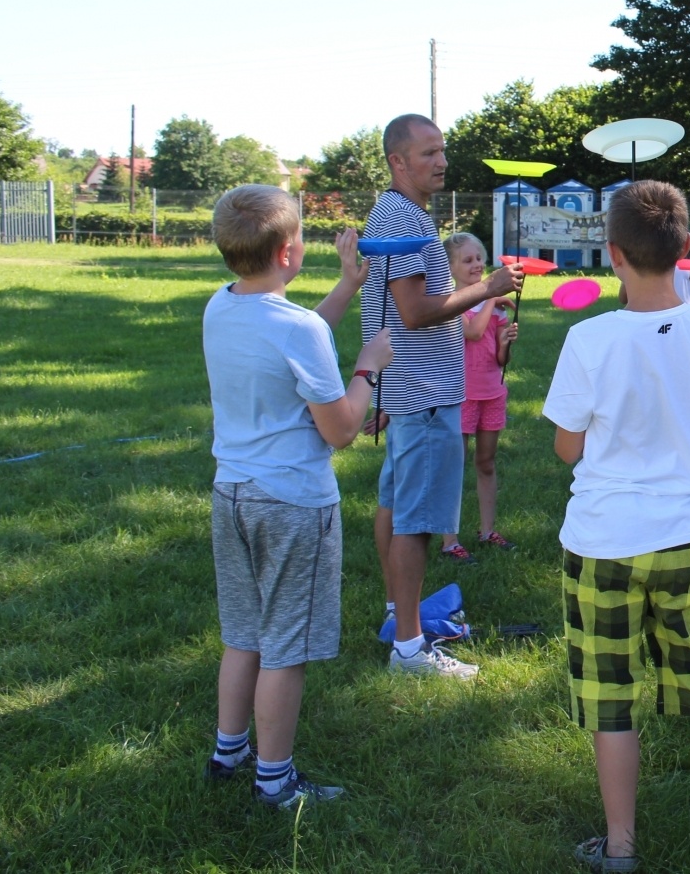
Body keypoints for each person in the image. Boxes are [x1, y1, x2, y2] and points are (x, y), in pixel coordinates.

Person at [542, 180, 690, 872]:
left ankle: (621, 847)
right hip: (686, 538)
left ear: (612, 254)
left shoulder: (587, 338)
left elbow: (567, 447)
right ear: (687, 249)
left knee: (612, 699)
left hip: (602, 544)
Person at [202, 186, 393, 808]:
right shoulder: (298, 327)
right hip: (291, 504)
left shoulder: (221, 306)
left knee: (245, 633)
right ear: (288, 252)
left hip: (232, 494)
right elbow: (339, 429)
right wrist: (367, 368)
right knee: (286, 646)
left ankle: (229, 751)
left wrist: (346, 287)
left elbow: (287, 339)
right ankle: (275, 779)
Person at [361, 114, 521, 678]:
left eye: (442, 151)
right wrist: (486, 288)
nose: (442, 162)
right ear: (397, 161)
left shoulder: (400, 216)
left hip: (411, 392)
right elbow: (414, 312)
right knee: (416, 522)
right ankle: (409, 648)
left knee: (394, 505)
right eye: (427, 153)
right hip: (425, 396)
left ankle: (396, 614)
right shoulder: (401, 219)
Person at [436, 232, 520, 563]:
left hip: (491, 392)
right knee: (454, 464)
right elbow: (471, 333)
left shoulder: (494, 307)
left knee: (486, 462)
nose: (476, 265)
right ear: (451, 266)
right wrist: (489, 297)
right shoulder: (453, 301)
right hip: (462, 394)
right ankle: (449, 540)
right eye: (467, 260)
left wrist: (506, 342)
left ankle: (487, 530)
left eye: (479, 259)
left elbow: (501, 360)